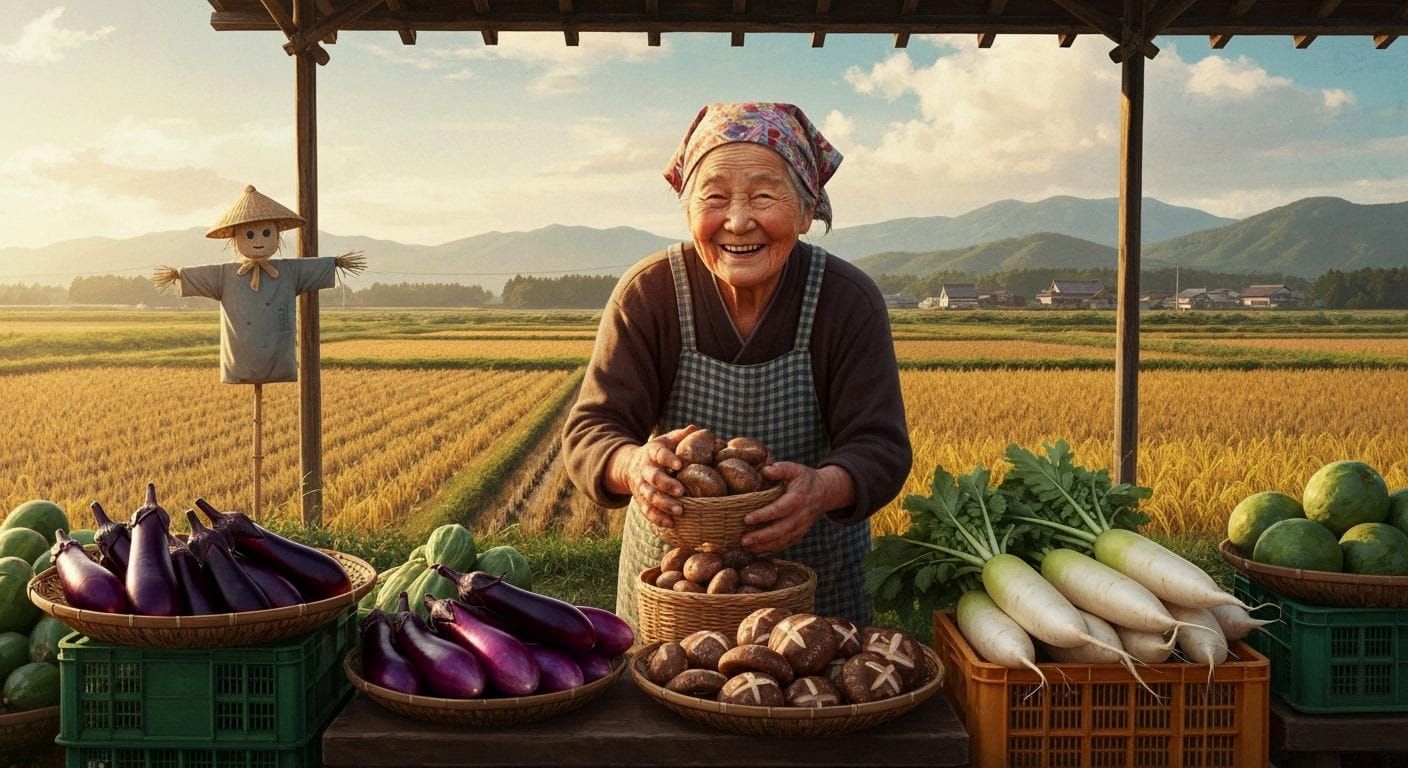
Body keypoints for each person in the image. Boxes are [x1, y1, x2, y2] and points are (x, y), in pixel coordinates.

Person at [562, 102, 910, 629]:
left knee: (813, 698)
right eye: (715, 197)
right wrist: (633, 467)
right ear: (687, 209)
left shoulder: (846, 300)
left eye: (764, 195)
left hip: (812, 578)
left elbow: (880, 446)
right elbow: (593, 430)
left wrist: (823, 489)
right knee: (658, 697)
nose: (738, 220)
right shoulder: (650, 293)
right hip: (676, 580)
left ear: (806, 208)